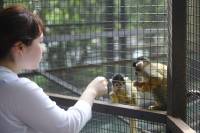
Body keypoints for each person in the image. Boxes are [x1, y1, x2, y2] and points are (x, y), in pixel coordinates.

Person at [0, 5, 108, 133]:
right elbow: (67, 126)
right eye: (40, 42)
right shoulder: (15, 88)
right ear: (20, 48)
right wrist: (91, 91)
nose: (43, 48)